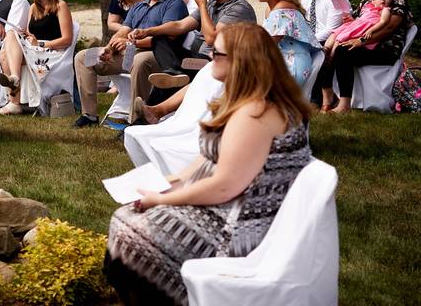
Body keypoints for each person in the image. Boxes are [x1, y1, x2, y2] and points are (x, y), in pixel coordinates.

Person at [104, 24, 313, 305]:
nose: (210, 55)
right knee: (125, 218)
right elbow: (204, 162)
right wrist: (166, 186)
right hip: (230, 204)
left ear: (242, 60)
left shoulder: (257, 111)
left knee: (130, 235)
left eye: (218, 52)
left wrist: (163, 200)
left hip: (241, 224)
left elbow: (223, 186)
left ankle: (166, 296)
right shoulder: (240, 100)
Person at [72, 0, 187, 128]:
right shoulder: (138, 6)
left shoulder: (174, 4)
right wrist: (109, 48)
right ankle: (89, 115)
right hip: (130, 52)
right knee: (84, 57)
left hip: (158, 55)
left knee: (139, 61)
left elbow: (166, 37)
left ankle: (136, 121)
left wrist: (129, 43)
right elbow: (122, 30)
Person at [131, 0, 256, 94]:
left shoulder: (238, 8)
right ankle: (173, 74)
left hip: (216, 62)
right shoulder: (211, 4)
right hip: (197, 59)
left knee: (164, 82)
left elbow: (211, 39)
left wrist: (202, 6)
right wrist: (147, 31)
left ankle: (160, 96)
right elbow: (180, 25)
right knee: (159, 39)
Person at [320, 0, 413, 114]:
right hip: (366, 44)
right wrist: (349, 20)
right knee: (326, 51)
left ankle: (344, 105)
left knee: (344, 51)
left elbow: (388, 28)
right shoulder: (367, 1)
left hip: (384, 49)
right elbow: (358, 21)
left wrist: (360, 41)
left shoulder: (397, 0)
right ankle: (326, 98)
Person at [0, 0, 75, 114]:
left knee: (5, 54)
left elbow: (67, 39)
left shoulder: (60, 5)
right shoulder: (33, 8)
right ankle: (14, 85)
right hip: (35, 50)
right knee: (11, 35)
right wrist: (28, 36)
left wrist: (41, 43)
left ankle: (14, 99)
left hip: (53, 52)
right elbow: (30, 33)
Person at [251, 0, 320, 87]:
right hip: (278, 61)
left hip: (291, 64)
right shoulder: (270, 9)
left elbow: (267, 44)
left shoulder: (282, 9)